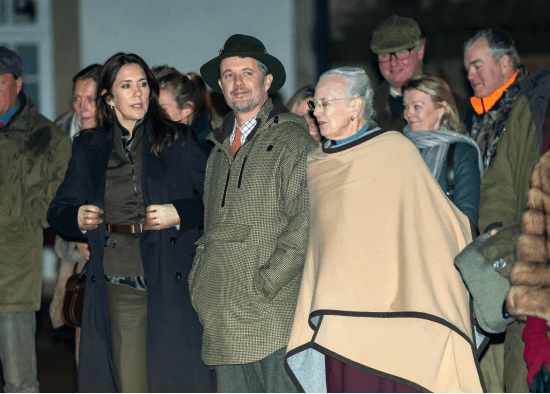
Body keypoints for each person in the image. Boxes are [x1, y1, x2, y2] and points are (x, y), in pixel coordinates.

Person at [284, 67, 484, 393]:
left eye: (325, 103)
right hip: (337, 321)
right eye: (314, 104)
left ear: (354, 107)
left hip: (393, 317)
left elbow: (441, 223)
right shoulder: (316, 163)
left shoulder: (394, 150)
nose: (316, 111)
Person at [47, 52, 213, 393]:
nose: (138, 93)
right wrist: (76, 217)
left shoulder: (177, 139)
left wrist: (180, 212)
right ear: (109, 98)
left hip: (172, 278)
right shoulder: (88, 146)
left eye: (142, 85)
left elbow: (218, 198)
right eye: (127, 86)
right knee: (131, 384)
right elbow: (58, 209)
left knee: (177, 381)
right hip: (120, 280)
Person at [190, 34, 318, 393]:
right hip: (222, 318)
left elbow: (305, 224)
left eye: (247, 72)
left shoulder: (294, 141)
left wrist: (265, 284)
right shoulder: (216, 148)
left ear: (267, 81)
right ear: (220, 85)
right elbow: (211, 227)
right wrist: (200, 278)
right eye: (228, 74)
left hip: (272, 316)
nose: (238, 82)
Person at [0, 46, 72, 393]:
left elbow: (55, 201)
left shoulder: (46, 139)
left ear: (18, 82)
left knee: (18, 380)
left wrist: (9, 216)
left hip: (11, 278)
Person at [49, 63, 102, 369]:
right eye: (77, 99)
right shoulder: (59, 133)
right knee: (78, 317)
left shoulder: (117, 132)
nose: (82, 108)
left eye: (90, 99)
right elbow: (52, 192)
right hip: (73, 244)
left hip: (107, 243)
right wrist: (76, 234)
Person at [402, 74, 483, 227]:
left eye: (417, 106)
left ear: (441, 109)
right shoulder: (399, 148)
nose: (408, 113)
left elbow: (467, 216)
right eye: (406, 106)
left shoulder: (461, 152)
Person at [463, 28, 530, 172]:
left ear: (504, 63)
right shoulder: (468, 114)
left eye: (477, 66)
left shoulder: (533, 107)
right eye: (468, 69)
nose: (470, 76)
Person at [152, 65, 217, 156]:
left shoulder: (198, 152)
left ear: (187, 110)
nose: (154, 115)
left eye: (163, 109)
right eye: (151, 108)